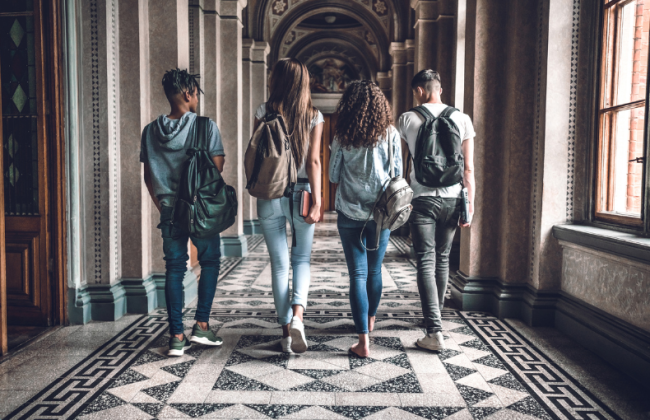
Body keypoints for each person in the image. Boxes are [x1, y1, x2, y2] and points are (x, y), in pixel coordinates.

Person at [141, 69, 225, 356]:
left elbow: (148, 177)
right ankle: (201, 326)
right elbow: (216, 170)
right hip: (200, 209)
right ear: (188, 93)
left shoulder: (150, 131)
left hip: (169, 210)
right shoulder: (205, 126)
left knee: (175, 269)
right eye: (196, 94)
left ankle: (176, 336)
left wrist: (163, 205)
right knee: (210, 260)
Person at [397, 69, 476, 351]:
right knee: (442, 259)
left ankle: (434, 329)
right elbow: (468, 168)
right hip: (454, 197)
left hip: (423, 198)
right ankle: (436, 319)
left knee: (426, 261)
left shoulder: (408, 118)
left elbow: (403, 162)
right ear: (440, 89)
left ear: (418, 90)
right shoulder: (462, 118)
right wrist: (470, 205)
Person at [253, 58, 324, 354]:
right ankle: (298, 317)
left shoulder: (263, 111)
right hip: (302, 192)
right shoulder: (314, 115)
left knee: (280, 264)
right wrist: (319, 200)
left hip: (270, 192)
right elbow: (314, 161)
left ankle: (285, 333)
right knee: (302, 260)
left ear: (277, 80)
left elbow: (257, 152)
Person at [330, 80, 402, 358]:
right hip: (381, 213)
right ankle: (370, 319)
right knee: (374, 271)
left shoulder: (342, 136)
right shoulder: (390, 133)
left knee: (357, 274)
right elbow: (396, 173)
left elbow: (333, 176)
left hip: (349, 211)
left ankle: (363, 341)